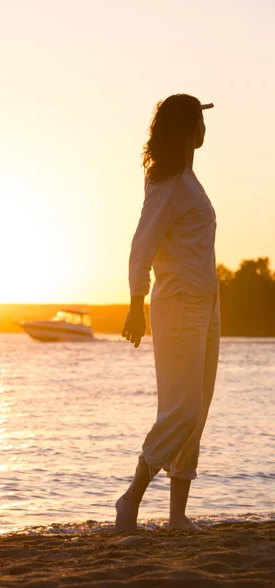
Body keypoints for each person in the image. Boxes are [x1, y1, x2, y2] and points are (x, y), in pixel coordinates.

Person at [115, 94, 220, 533]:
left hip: (207, 305)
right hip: (178, 304)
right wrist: (136, 303)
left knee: (198, 412)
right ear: (186, 128)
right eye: (200, 119)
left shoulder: (188, 179)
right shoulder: (167, 185)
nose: (205, 127)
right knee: (182, 411)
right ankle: (130, 499)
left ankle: (177, 516)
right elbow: (142, 246)